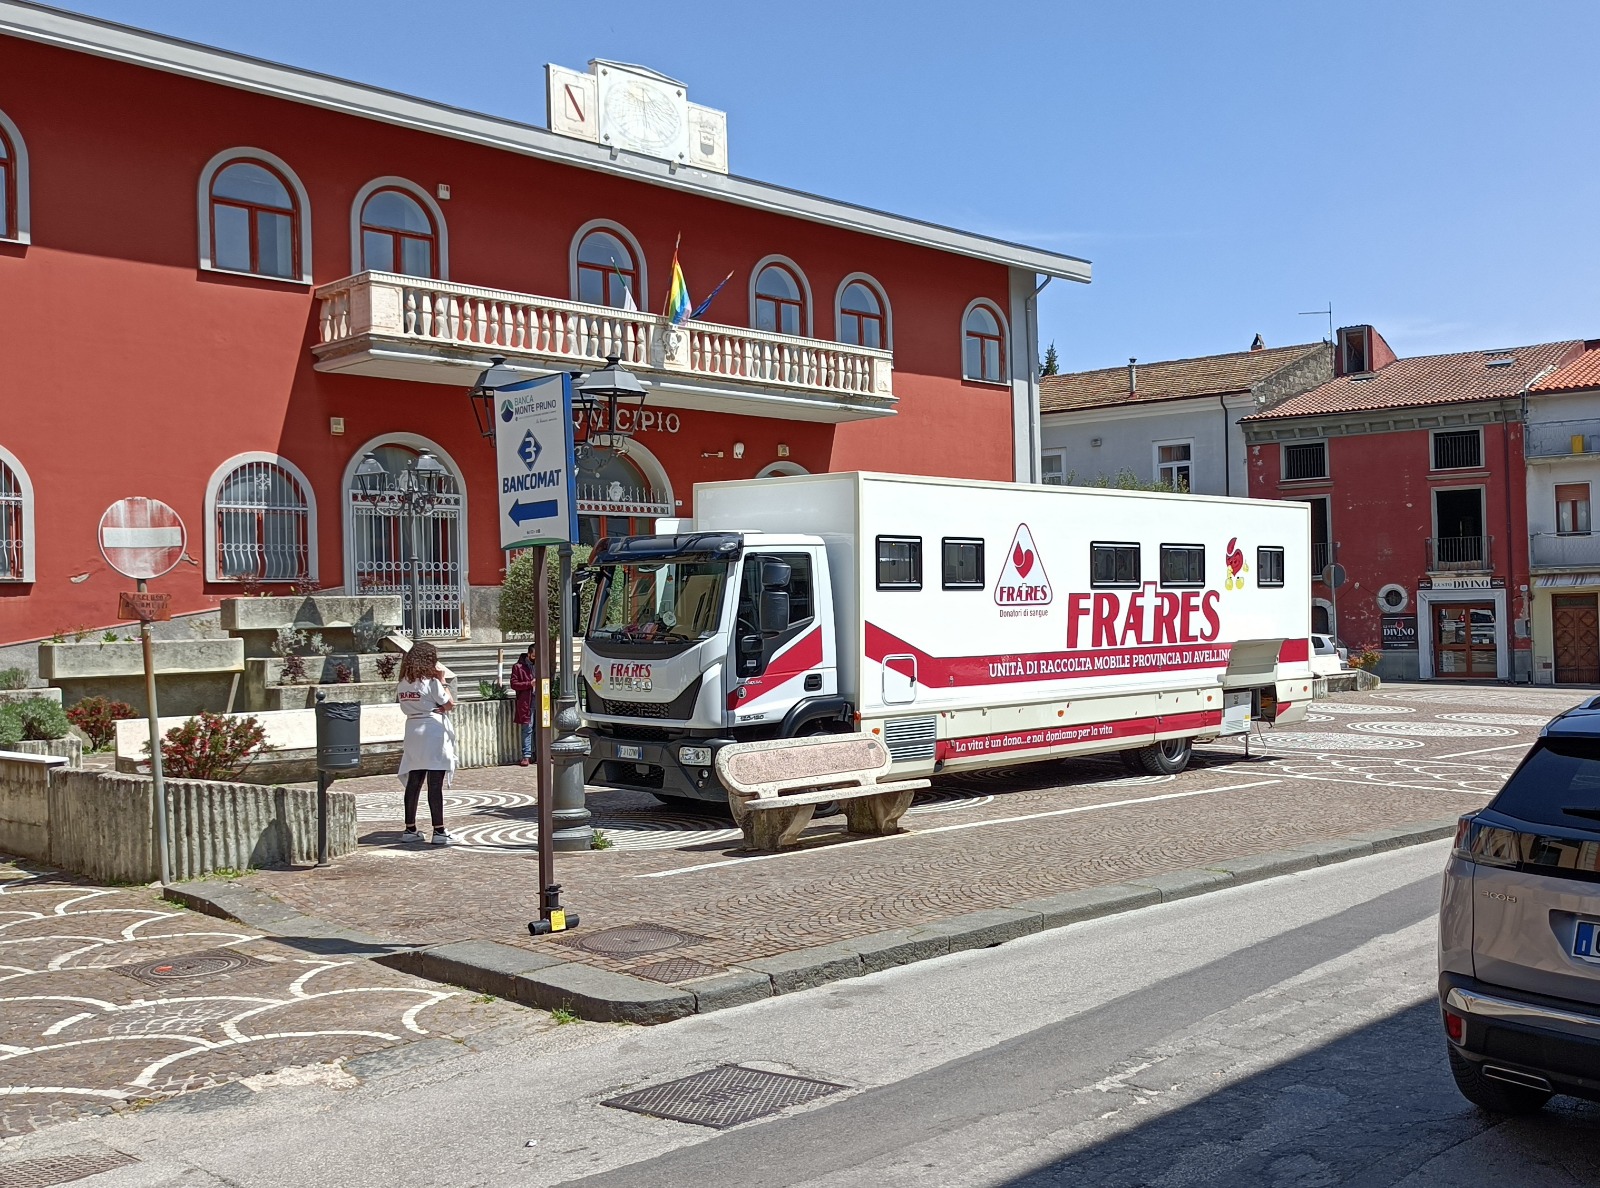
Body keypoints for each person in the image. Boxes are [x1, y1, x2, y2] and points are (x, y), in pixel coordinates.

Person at [395, 641, 457, 845]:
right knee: (434, 782)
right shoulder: (431, 682)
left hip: (413, 730)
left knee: (414, 780)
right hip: (432, 731)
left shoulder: (403, 683)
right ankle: (439, 831)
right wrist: (443, 681)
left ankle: (410, 828)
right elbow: (449, 704)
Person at [509, 642, 538, 767]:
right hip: (527, 702)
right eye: (534, 656)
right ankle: (526, 756)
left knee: (541, 729)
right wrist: (529, 684)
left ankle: (539, 754)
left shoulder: (541, 664)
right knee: (527, 729)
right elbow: (513, 684)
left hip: (541, 700)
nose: (536, 658)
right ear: (529, 654)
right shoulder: (518, 667)